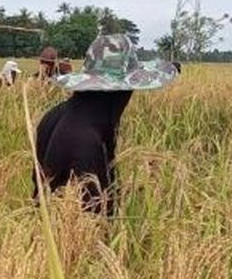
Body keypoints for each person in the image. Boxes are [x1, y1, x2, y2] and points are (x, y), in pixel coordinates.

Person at [32, 34, 178, 214]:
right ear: (120, 89)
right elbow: (96, 220)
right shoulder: (86, 140)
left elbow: (40, 194)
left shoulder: (54, 116)